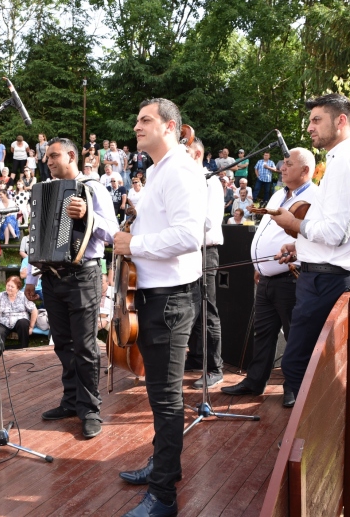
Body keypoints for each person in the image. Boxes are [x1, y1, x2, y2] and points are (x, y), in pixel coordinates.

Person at [112, 99, 206, 517]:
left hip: (171, 299)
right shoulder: (157, 171)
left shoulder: (182, 170)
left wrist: (136, 244)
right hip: (153, 295)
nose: (137, 126)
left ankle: (164, 495)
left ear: (170, 126)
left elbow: (188, 235)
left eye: (145, 119)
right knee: (156, 393)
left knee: (166, 398)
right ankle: (162, 465)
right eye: (136, 120)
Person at [271, 93, 350, 400]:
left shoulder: (346, 161)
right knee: (309, 366)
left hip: (328, 279)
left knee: (300, 367)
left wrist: (294, 225)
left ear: (341, 121)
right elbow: (334, 227)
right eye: (310, 121)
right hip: (326, 274)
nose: (310, 128)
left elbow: (335, 233)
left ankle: (307, 446)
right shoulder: (342, 159)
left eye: (317, 119)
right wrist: (299, 244)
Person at [23, 137, 119, 440]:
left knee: (86, 347)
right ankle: (71, 400)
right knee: (62, 344)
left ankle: (90, 409)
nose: (48, 162)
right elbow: (37, 237)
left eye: (54, 156)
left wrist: (87, 215)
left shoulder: (92, 188)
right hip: (51, 278)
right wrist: (29, 279)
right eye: (46, 158)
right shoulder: (44, 191)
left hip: (83, 277)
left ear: (72, 156)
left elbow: (113, 233)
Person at [221, 148, 319, 408]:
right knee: (262, 334)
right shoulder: (278, 193)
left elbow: (311, 238)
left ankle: (293, 387)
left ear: (306, 171)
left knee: (294, 335)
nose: (282, 168)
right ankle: (255, 381)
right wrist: (259, 265)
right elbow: (266, 230)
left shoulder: (316, 197)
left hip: (291, 277)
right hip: (265, 277)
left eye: (288, 164)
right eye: (282, 164)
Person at [183, 137, 226, 389]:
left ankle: (215, 368)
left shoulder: (211, 181)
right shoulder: (187, 181)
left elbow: (209, 220)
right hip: (188, 251)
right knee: (193, 306)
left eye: (186, 151)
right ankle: (197, 357)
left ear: (197, 153)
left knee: (208, 309)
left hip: (205, 250)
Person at [0, 276, 37, 349]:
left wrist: (31, 327)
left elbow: (34, 310)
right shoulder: (1, 295)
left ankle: (24, 347)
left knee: (23, 323)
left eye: (12, 286)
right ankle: (0, 350)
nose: (9, 288)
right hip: (4, 321)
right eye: (8, 285)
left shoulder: (23, 296)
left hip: (19, 320)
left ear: (17, 288)